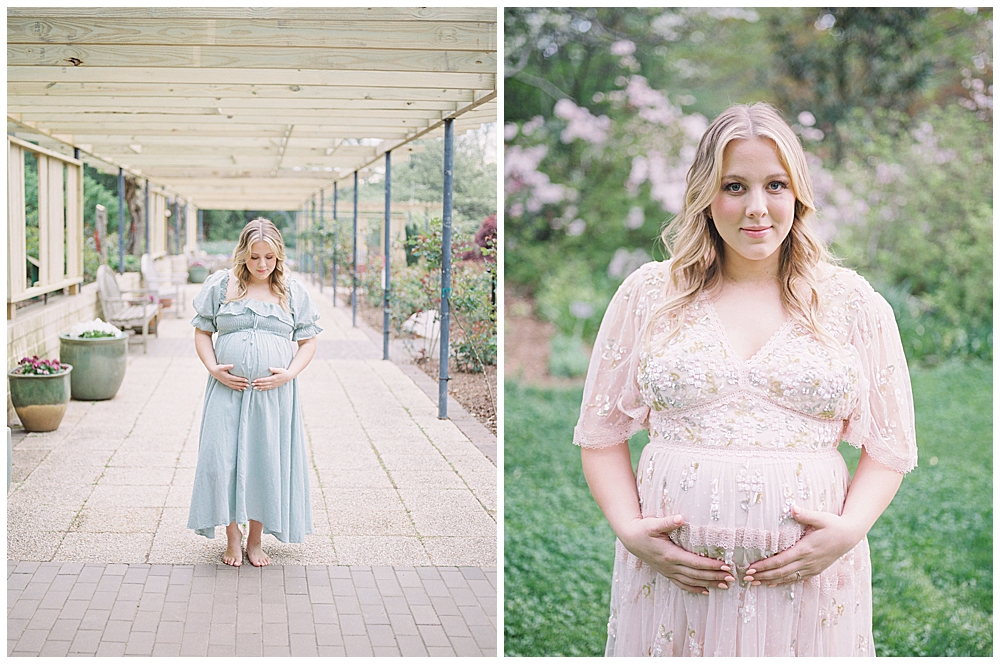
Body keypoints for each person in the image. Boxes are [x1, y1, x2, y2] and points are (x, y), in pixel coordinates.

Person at [574, 102, 916, 656]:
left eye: (775, 185)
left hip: (810, 584)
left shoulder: (851, 302)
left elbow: (891, 446)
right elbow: (601, 435)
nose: (757, 208)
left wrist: (848, 532)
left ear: (797, 193)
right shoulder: (649, 295)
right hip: (674, 585)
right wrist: (632, 531)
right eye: (735, 186)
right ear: (706, 195)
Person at [187, 218, 321, 567]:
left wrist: (289, 373)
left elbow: (308, 341)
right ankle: (233, 536)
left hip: (272, 395)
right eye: (254, 258)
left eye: (270, 258)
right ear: (242, 256)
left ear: (279, 256)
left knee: (265, 461)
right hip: (226, 389)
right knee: (220, 462)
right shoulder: (221, 285)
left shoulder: (292, 291)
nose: (262, 265)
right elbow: (202, 331)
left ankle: (256, 540)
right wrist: (213, 367)